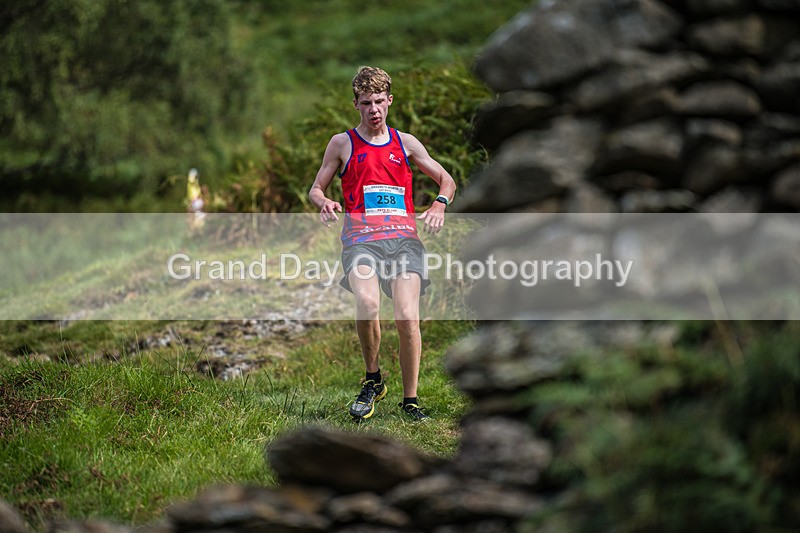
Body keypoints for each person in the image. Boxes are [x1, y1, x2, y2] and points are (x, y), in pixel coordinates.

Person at [308, 66, 456, 421]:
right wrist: (324, 202)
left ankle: (411, 401)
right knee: (368, 302)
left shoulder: (406, 143)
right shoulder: (342, 143)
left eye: (378, 101)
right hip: (361, 241)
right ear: (356, 105)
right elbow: (315, 188)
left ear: (389, 101)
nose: (373, 109)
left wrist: (439, 204)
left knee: (406, 316)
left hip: (404, 242)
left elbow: (447, 180)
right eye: (365, 103)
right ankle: (373, 379)